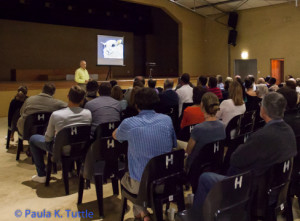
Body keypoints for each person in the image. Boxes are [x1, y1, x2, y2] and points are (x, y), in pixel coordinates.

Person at [191, 92, 297, 219]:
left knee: (205, 178)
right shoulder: (289, 131)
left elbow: (235, 159)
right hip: (276, 191)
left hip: (252, 191)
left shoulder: (262, 136)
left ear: (264, 110)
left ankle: (196, 217)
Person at [112, 88, 176, 221]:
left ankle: (142, 213)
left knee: (125, 175)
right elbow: (174, 144)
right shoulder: (167, 120)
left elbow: (115, 135)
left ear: (136, 104)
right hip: (167, 180)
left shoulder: (129, 123)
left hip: (142, 186)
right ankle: (144, 213)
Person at [29, 85, 92, 183]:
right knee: (72, 139)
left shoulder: (56, 115)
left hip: (61, 150)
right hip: (81, 149)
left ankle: (41, 174)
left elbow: (48, 138)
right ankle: (69, 171)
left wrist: (56, 137)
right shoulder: (88, 113)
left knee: (33, 139)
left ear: (68, 96)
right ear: (82, 100)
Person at [185, 92, 225, 171]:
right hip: (214, 164)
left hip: (196, 167)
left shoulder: (198, 128)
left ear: (202, 105)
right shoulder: (223, 125)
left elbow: (188, 152)